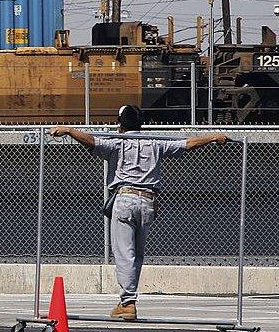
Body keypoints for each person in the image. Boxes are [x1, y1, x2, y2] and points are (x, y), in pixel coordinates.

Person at [50, 105, 228, 321]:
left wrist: (68, 130)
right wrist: (213, 137)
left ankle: (128, 303)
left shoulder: (118, 142)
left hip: (125, 198)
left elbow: (91, 141)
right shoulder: (153, 142)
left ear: (120, 124)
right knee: (137, 256)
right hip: (148, 201)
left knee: (125, 254)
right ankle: (127, 300)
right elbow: (188, 144)